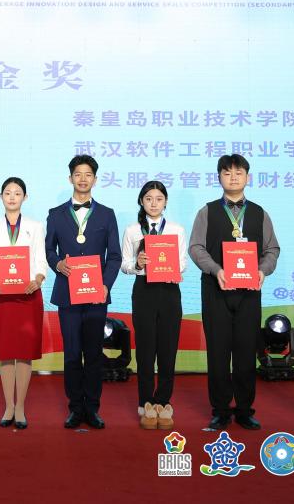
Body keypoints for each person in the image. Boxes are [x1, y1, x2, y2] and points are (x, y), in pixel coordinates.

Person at [189, 154, 280, 431]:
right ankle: (219, 410)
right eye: (227, 173)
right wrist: (216, 270)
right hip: (216, 291)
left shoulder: (260, 213)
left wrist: (263, 270)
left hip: (249, 293)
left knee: (245, 352)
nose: (233, 177)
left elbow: (272, 249)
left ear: (247, 177)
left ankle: (244, 410)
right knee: (218, 353)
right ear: (219, 177)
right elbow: (195, 247)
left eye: (238, 173)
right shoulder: (206, 212)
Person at [45, 154, 122, 430]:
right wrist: (58, 264)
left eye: (88, 174)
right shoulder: (55, 214)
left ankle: (93, 408)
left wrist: (105, 285)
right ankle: (75, 407)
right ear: (70, 178)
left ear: (95, 179)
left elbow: (114, 256)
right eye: (78, 174)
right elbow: (48, 250)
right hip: (67, 294)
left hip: (96, 294)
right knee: (71, 353)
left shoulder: (107, 214)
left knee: (93, 353)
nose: (83, 179)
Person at [0, 177, 48, 430]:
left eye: (17, 193)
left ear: (24, 198)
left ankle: (20, 407)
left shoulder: (35, 226)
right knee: (6, 352)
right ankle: (9, 405)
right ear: (1, 197)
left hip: (27, 296)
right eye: (7, 193)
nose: (12, 197)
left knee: (25, 352)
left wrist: (37, 279)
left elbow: (41, 259)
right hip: (1, 296)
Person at [120, 180, 187, 430]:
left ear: (165, 201)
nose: (154, 203)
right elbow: (124, 264)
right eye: (148, 199)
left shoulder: (177, 230)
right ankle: (145, 402)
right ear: (141, 201)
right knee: (145, 350)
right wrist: (137, 264)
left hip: (169, 291)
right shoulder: (132, 230)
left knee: (168, 350)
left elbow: (183, 263)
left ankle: (163, 401)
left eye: (159, 199)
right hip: (144, 291)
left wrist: (171, 267)